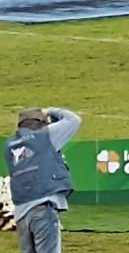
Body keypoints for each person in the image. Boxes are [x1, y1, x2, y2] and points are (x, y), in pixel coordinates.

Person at [3, 107, 81, 253]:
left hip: (21, 213)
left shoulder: (9, 145)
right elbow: (73, 119)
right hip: (42, 208)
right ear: (40, 123)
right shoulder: (45, 136)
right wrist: (50, 111)